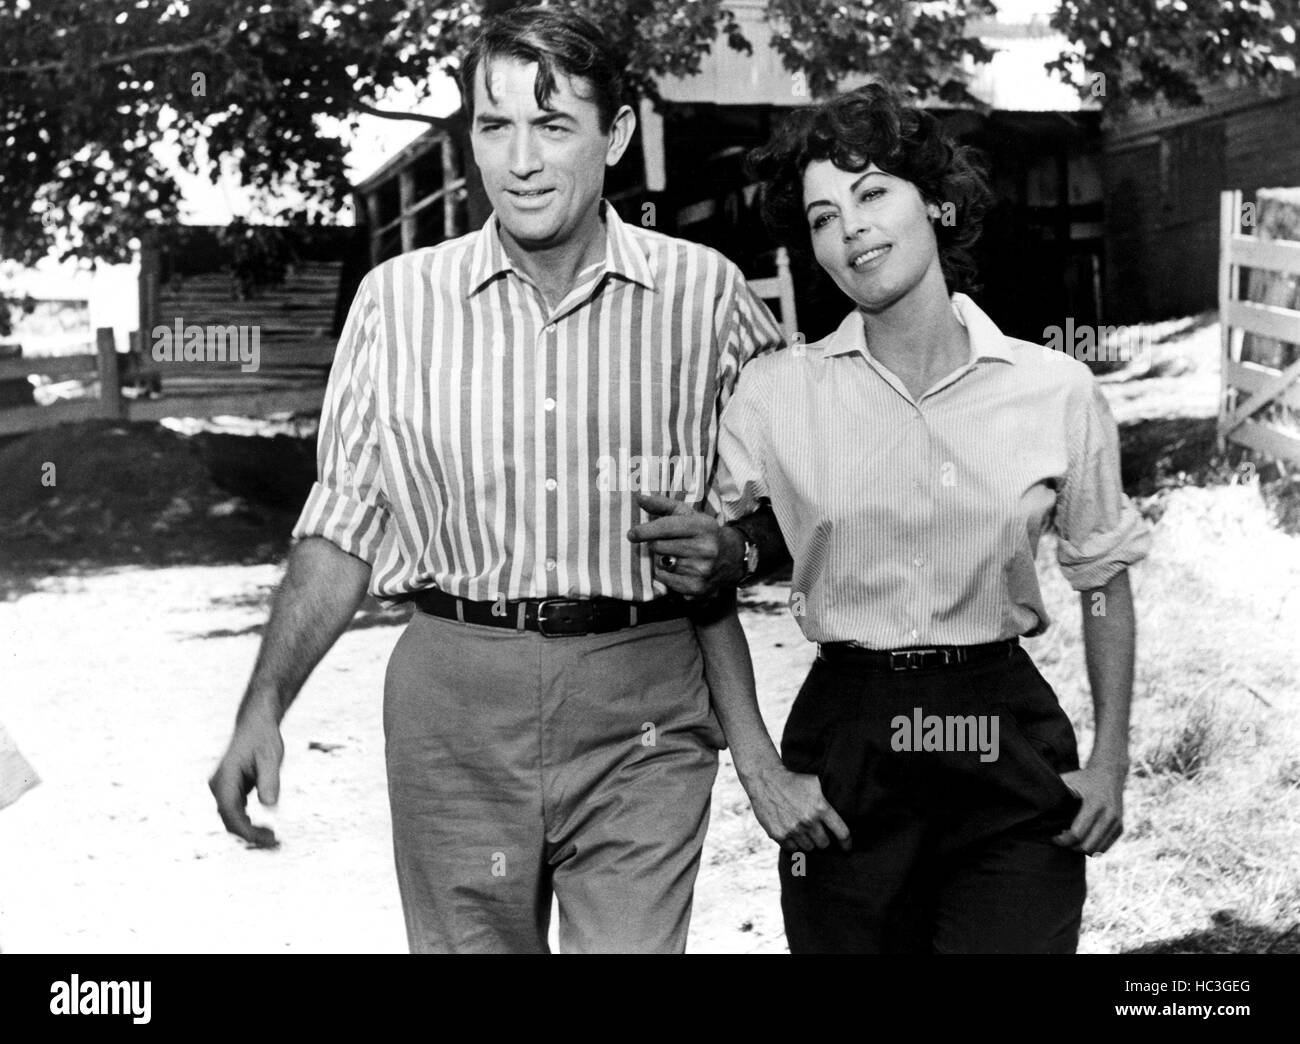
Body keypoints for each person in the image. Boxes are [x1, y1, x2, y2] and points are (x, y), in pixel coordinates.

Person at [208, 6, 790, 954]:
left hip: (643, 704)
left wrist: (742, 547)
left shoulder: (707, 297)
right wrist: (264, 705)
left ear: (618, 134)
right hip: (454, 706)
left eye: (554, 125)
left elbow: (790, 501)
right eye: (494, 125)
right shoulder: (397, 304)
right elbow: (343, 525)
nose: (521, 160)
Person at [704, 84, 1153, 953]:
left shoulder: (1053, 388)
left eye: (873, 193)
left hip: (1004, 742)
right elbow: (701, 581)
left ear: (935, 204)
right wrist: (759, 769)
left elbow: (1102, 575)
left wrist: (1109, 759)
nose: (853, 229)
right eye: (824, 216)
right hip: (847, 755)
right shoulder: (774, 393)